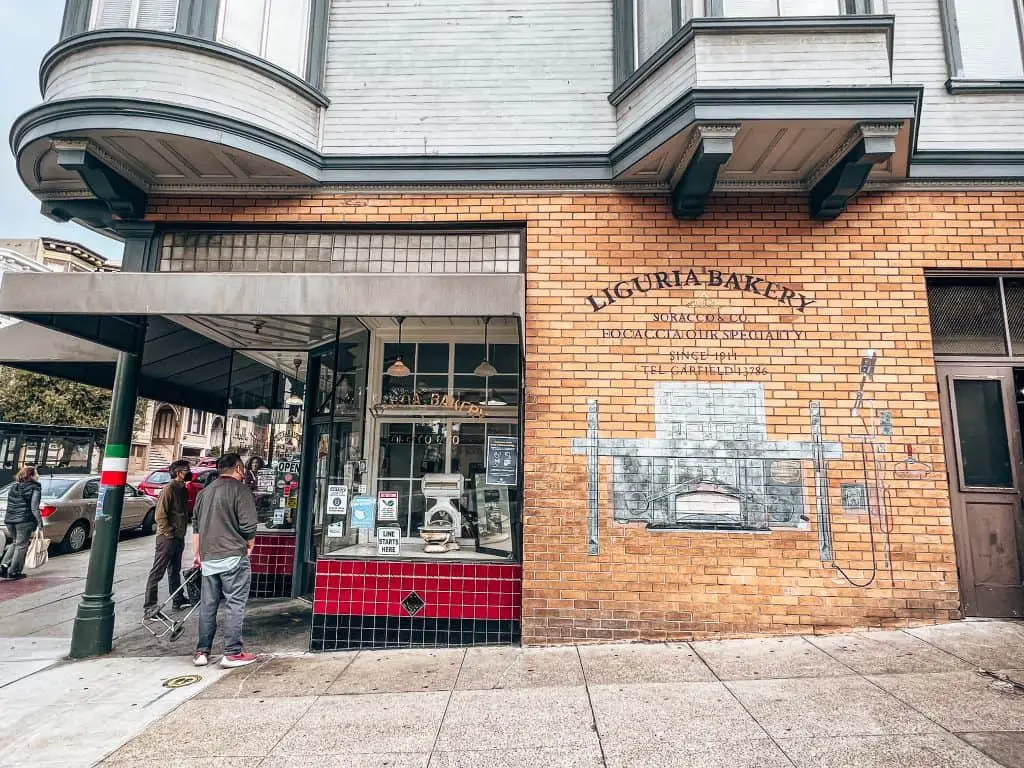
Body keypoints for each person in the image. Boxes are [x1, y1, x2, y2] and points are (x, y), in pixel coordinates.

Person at [192, 452, 258, 668]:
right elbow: (248, 526)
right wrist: (249, 544)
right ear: (239, 469)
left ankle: (202, 651)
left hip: (209, 557)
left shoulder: (205, 492)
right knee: (235, 603)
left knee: (208, 605)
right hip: (233, 556)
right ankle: (232, 652)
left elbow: (196, 526)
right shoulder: (241, 490)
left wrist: (197, 554)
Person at [143, 460, 192, 617]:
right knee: (158, 571)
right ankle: (150, 606)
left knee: (174, 569)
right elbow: (160, 515)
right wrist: (168, 532)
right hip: (167, 538)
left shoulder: (183, 489)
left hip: (179, 536)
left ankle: (177, 598)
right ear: (178, 472)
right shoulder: (169, 489)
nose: (189, 472)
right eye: (186, 470)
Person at [1, 466, 42, 580]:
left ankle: (4, 566)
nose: (37, 475)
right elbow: (34, 507)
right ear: (32, 475)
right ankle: (14, 571)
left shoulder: (14, 486)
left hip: (9, 520)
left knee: (15, 543)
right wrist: (40, 523)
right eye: (36, 473)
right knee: (21, 545)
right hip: (24, 521)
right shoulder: (35, 487)